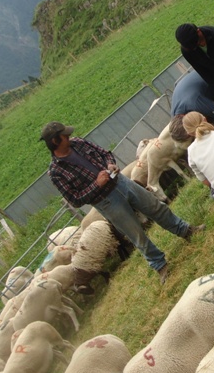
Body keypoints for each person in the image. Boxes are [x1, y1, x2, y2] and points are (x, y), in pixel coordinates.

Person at [40, 121, 204, 285]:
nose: (69, 136)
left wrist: (110, 163)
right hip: (105, 201)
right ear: (55, 141)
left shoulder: (78, 143)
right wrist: (97, 184)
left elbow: (104, 153)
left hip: (121, 182)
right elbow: (75, 199)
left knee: (155, 207)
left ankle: (186, 230)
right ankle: (160, 265)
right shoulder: (56, 171)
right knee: (135, 233)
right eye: (65, 135)